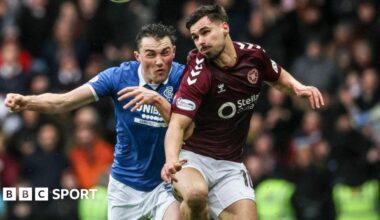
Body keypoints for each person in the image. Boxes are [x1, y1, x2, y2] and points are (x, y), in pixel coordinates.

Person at [5, 23, 188, 220]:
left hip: (165, 182)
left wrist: (156, 99)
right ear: (138, 56)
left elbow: (189, 128)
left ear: (174, 51)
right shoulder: (118, 77)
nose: (159, 61)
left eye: (165, 53)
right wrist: (27, 101)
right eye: (151, 54)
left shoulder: (183, 78)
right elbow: (64, 101)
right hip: (125, 186)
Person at [161, 5, 325, 220]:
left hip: (230, 164)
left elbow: (277, 76)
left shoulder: (254, 56)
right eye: (195, 37)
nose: (200, 41)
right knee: (196, 195)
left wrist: (298, 87)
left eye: (205, 32)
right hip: (193, 159)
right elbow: (177, 124)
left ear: (225, 28)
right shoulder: (199, 74)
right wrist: (171, 159)